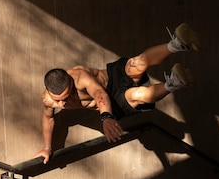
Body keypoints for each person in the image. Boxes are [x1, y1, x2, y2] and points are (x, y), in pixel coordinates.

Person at [34, 23, 199, 164]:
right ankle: (175, 82)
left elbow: (100, 93)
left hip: (111, 82)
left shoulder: (79, 78)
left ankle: (177, 43)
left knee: (136, 63)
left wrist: (106, 118)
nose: (63, 104)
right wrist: (47, 148)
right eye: (59, 101)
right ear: (49, 92)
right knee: (136, 95)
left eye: (67, 96)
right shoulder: (48, 100)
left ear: (70, 82)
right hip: (115, 102)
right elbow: (48, 118)